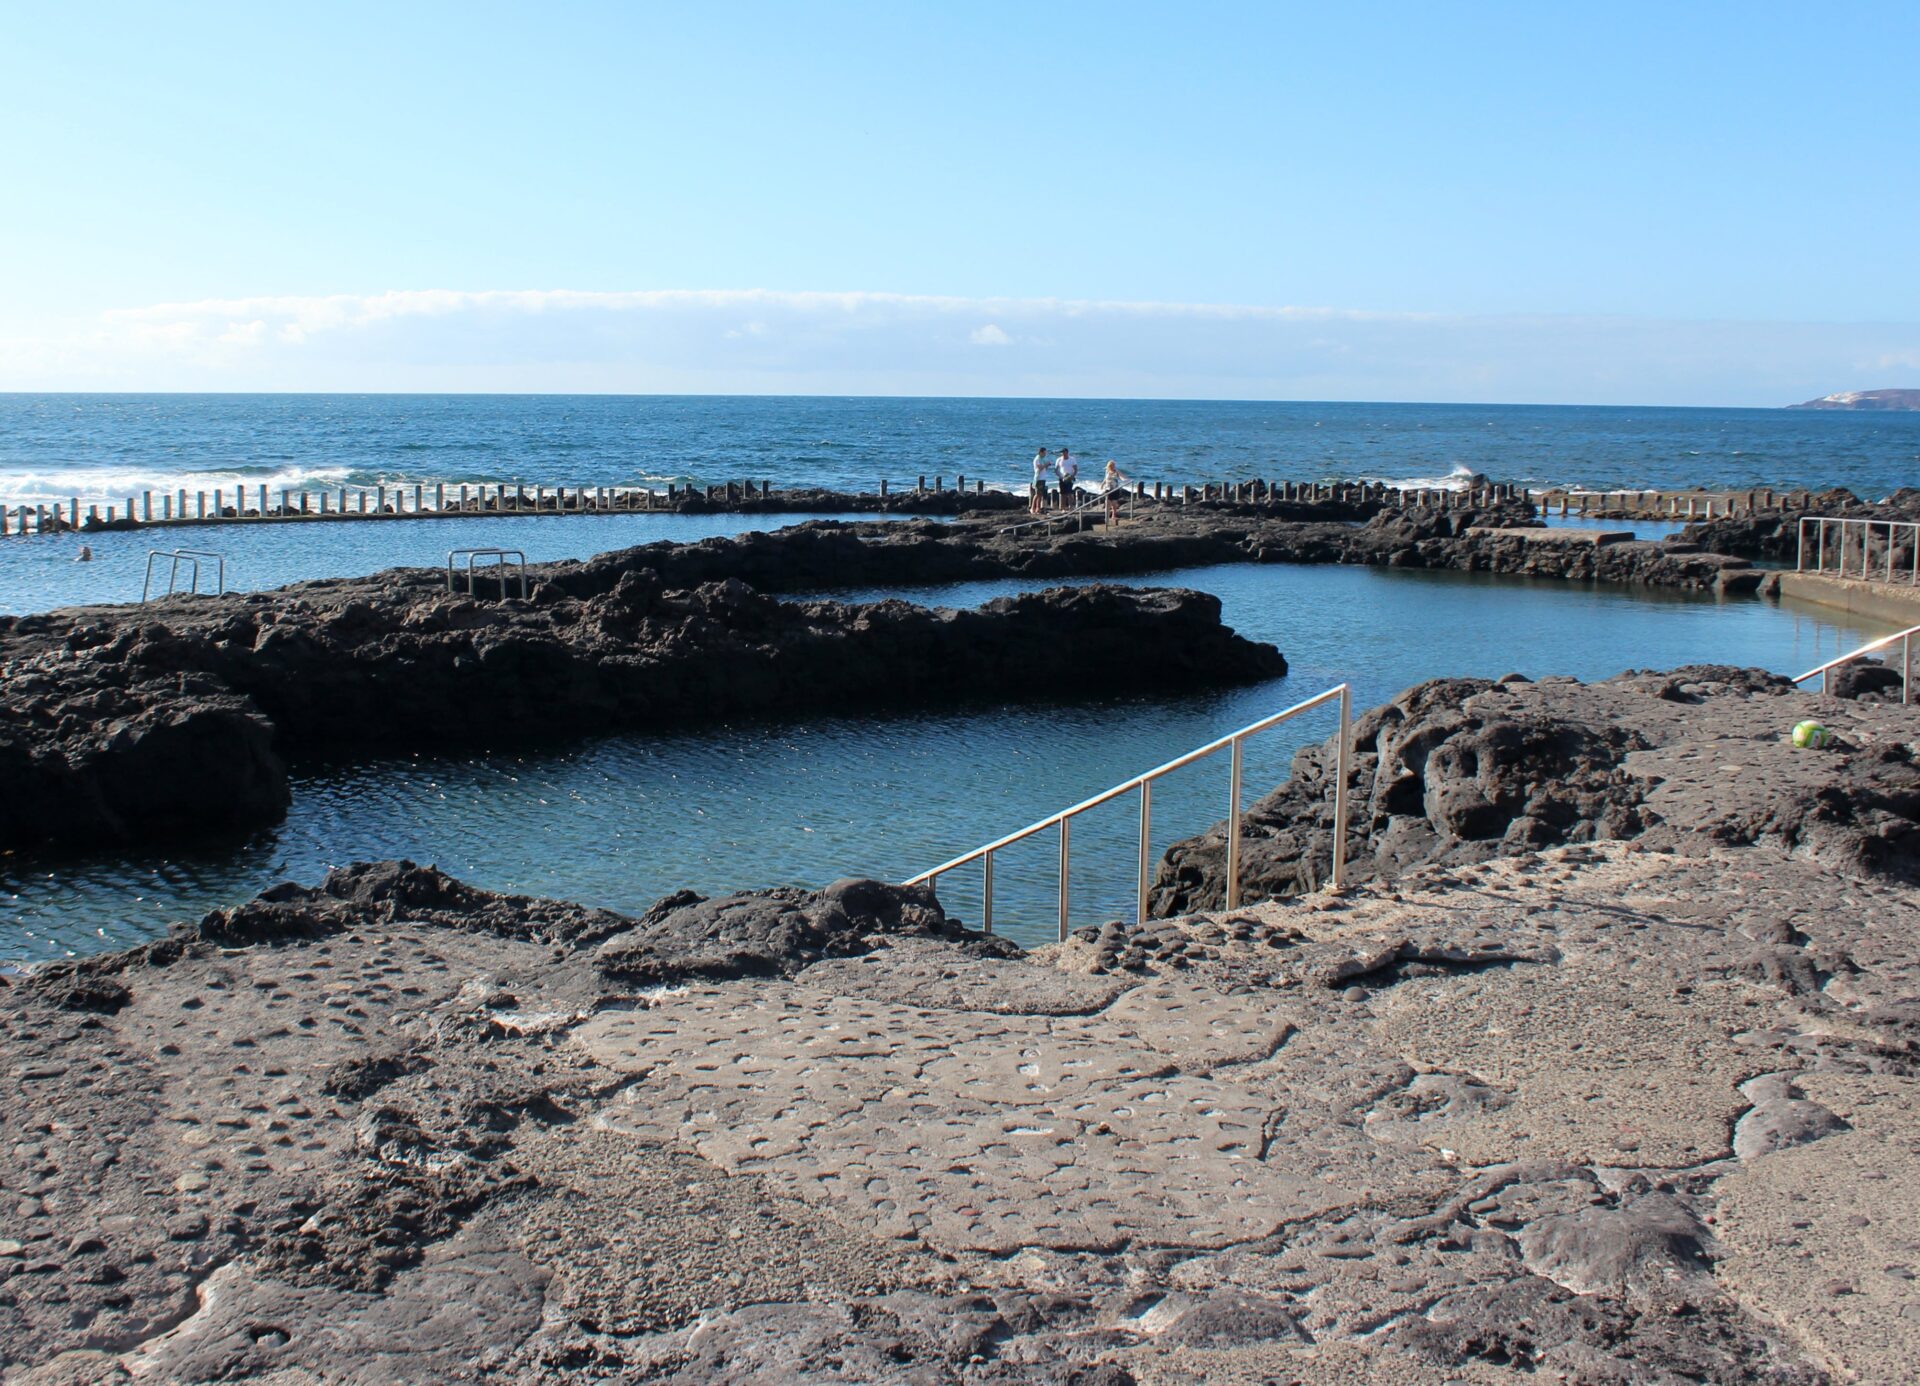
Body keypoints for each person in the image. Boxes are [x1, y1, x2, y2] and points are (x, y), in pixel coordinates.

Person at [1101, 460, 1130, 525]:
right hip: (1108, 489)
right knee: (1107, 503)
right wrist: (1102, 484)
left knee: (1114, 504)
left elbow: (1121, 476)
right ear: (1109, 466)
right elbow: (1105, 479)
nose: (1113, 466)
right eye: (1112, 465)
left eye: (1113, 465)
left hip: (1115, 489)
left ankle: (1113, 515)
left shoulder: (1116, 471)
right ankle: (1107, 517)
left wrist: (1126, 479)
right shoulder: (1107, 471)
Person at [1029, 446, 1051, 515]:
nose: (1045, 454)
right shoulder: (1037, 459)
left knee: (1040, 494)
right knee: (1037, 494)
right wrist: (1046, 464)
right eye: (1044, 452)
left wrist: (1047, 465)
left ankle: (1038, 508)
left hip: (1043, 478)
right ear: (1041, 452)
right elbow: (1040, 468)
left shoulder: (1042, 459)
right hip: (1038, 478)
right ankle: (1032, 508)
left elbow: (1044, 468)